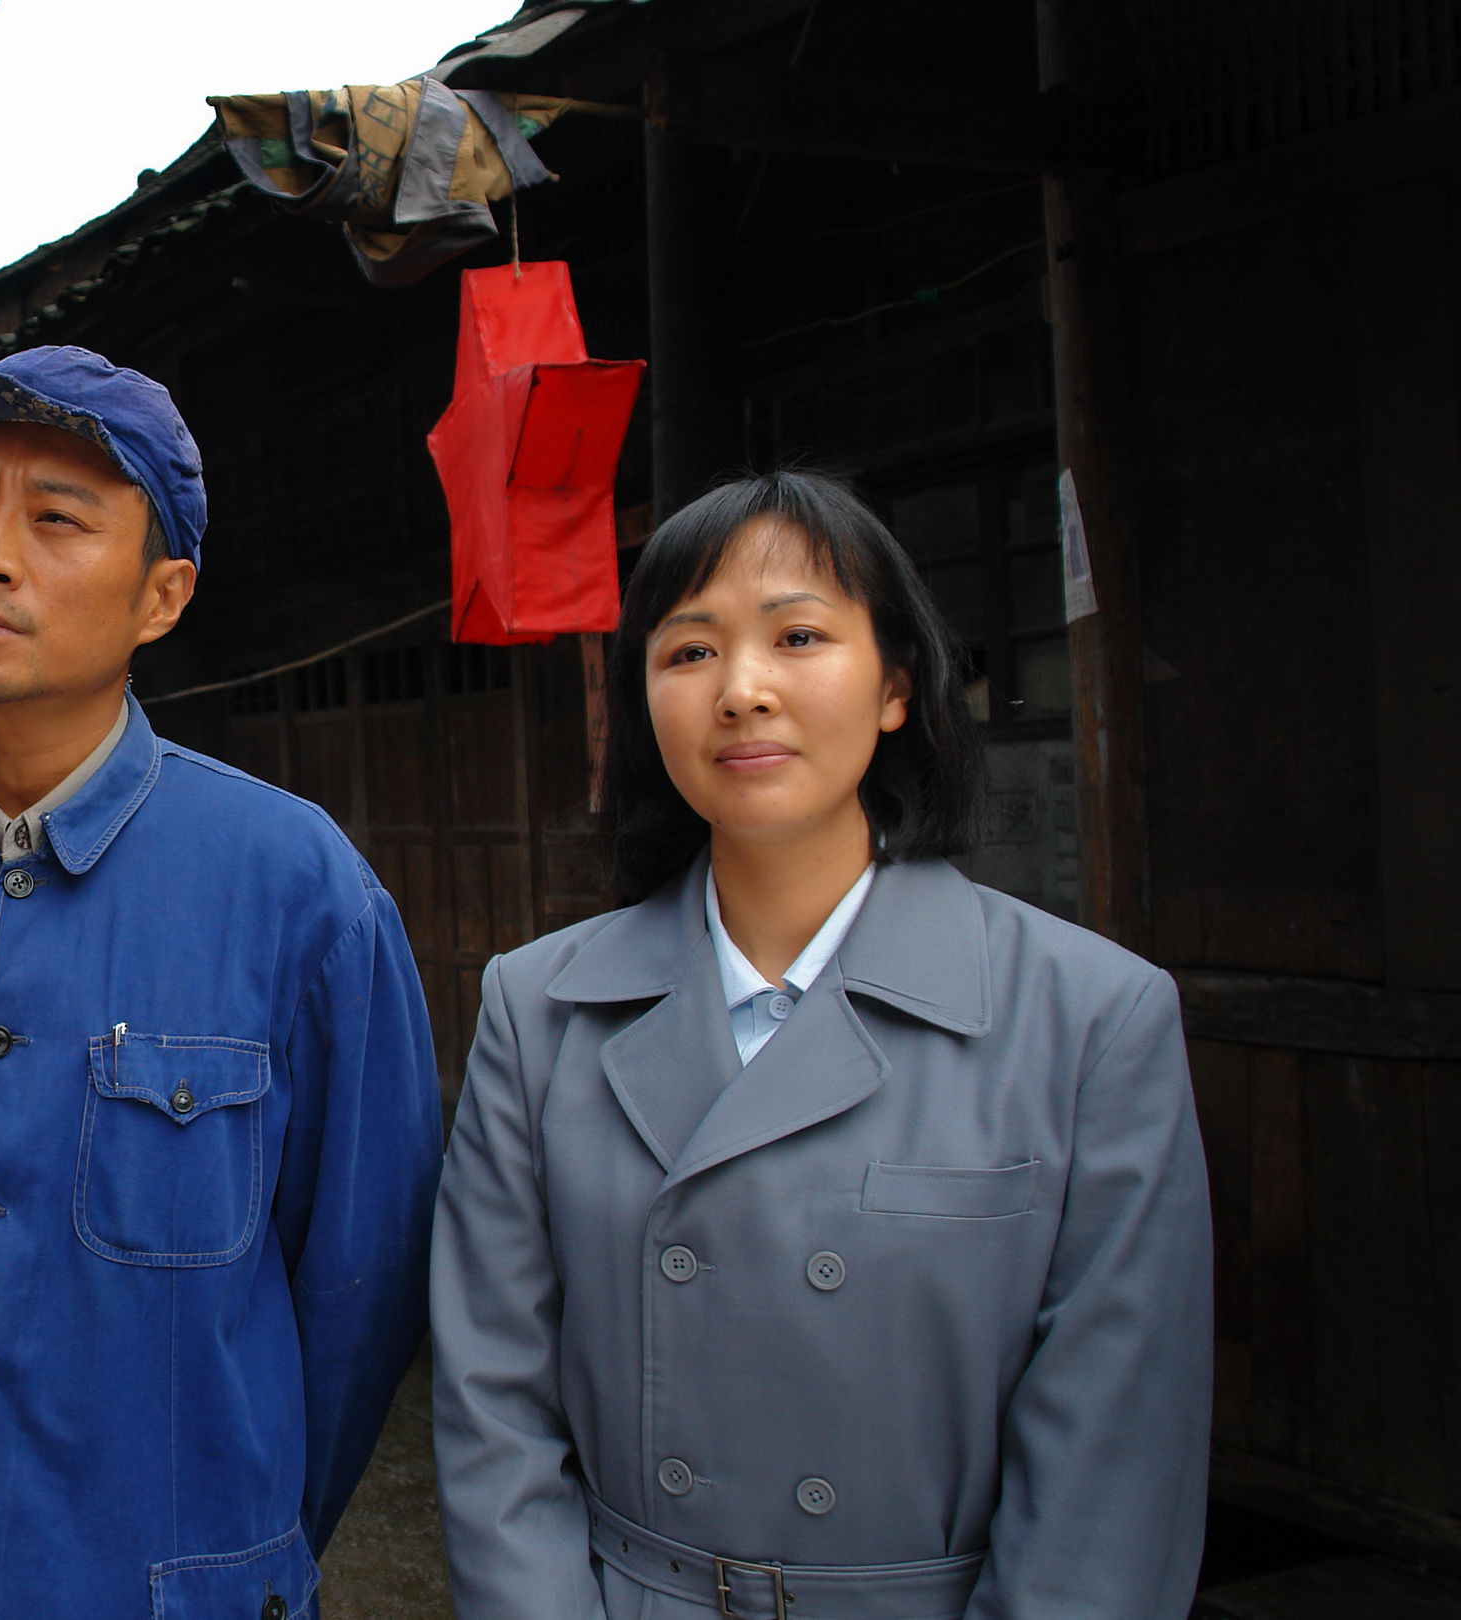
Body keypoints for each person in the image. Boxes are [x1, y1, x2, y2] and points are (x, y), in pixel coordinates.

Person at [0, 346, 441, 1613]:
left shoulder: (302, 894)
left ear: (163, 597)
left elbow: (356, 1303)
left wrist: (224, 1548)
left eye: (56, 519)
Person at [430, 471, 1212, 1619]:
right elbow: (491, 1405)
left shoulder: (1091, 1018)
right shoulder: (539, 1008)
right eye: (688, 652)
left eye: (798, 636)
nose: (742, 691)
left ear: (896, 684)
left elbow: (1112, 1475)